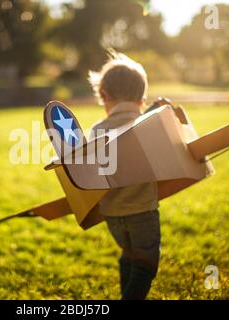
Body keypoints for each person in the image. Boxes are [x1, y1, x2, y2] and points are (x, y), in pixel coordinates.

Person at [88, 50, 160, 300]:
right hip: (143, 211)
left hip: (113, 215)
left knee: (129, 254)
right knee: (146, 264)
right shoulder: (151, 126)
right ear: (142, 98)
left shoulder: (96, 132)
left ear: (104, 96)